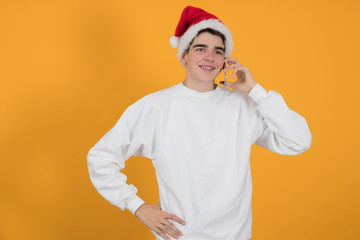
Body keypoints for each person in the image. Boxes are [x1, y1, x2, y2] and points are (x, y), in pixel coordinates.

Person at [87, 6, 312, 240]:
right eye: (200, 49)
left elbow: (299, 141)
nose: (209, 57)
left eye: (218, 51)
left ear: (225, 60)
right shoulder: (154, 107)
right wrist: (137, 206)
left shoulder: (243, 106)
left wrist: (256, 92)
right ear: (184, 56)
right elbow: (101, 158)